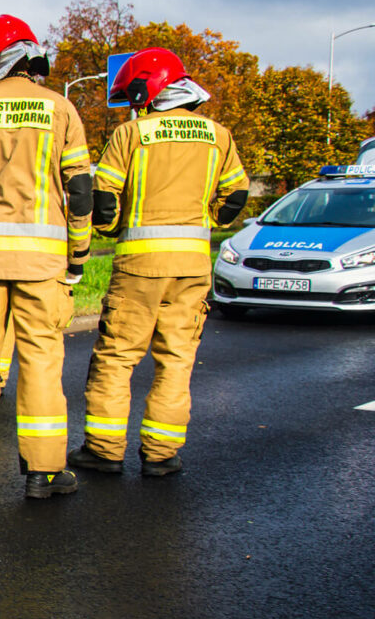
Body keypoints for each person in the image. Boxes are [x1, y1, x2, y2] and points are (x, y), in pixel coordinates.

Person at [70, 48, 249, 476]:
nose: (134, 105)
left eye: (135, 95)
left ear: (148, 89)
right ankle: (161, 456)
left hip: (139, 267)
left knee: (116, 358)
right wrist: (203, 221)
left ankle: (104, 450)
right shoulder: (218, 135)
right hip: (191, 269)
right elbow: (236, 196)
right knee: (176, 359)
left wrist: (112, 230)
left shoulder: (131, 134)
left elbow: (106, 199)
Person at [0, 14, 92, 498]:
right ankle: (41, 474)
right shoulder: (60, 109)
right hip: (42, 264)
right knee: (42, 361)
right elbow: (81, 190)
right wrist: (79, 254)